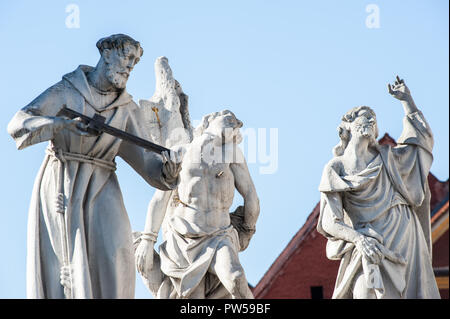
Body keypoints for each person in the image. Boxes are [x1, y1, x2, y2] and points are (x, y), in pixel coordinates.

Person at [7, 34, 181, 299]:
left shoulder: (126, 108)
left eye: (134, 61)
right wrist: (59, 125)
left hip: (102, 182)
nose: (130, 66)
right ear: (106, 52)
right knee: (65, 268)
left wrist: (167, 170)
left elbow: (148, 164)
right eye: (126, 56)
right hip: (63, 181)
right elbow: (18, 123)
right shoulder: (67, 91)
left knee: (118, 251)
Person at [317, 76, 440, 299]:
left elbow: (421, 143)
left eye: (373, 118)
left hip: (405, 240)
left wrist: (407, 102)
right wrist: (358, 239)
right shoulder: (336, 167)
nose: (371, 121)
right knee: (365, 292)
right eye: (365, 117)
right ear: (348, 125)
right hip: (369, 245)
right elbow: (329, 222)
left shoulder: (389, 158)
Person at [134, 110, 260, 298]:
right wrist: (147, 239)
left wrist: (248, 229)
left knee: (236, 277)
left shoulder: (232, 153)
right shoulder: (180, 152)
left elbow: (250, 194)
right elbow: (160, 199)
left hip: (219, 235)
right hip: (184, 239)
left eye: (235, 124)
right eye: (227, 117)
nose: (233, 123)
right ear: (209, 121)